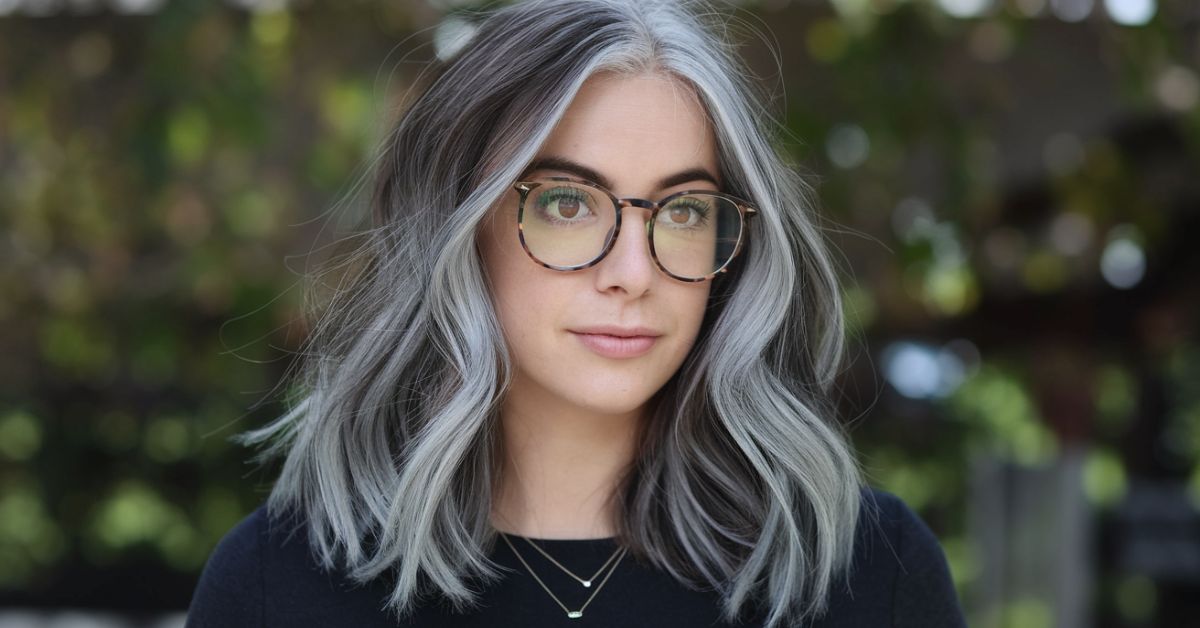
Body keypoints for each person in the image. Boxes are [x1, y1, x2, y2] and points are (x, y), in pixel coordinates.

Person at [186, 0, 967, 626]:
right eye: (568, 203)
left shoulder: (865, 574)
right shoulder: (280, 585)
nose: (633, 273)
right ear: (461, 229)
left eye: (685, 210)